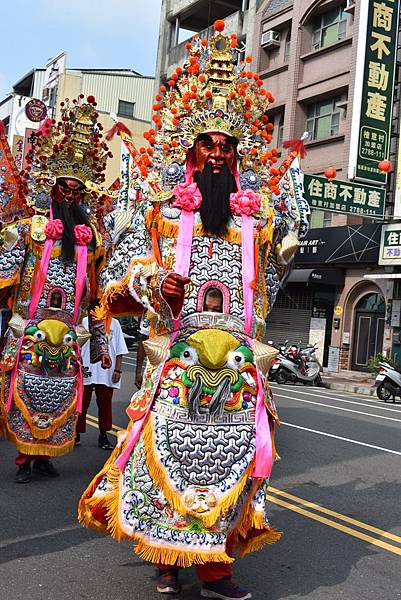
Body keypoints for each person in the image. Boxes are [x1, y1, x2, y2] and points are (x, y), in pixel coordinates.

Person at [79, 21, 309, 600]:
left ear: (237, 153)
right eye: (205, 142)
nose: (215, 152)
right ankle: (168, 559)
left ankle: (218, 569)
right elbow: (117, 278)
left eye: (225, 145)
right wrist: (159, 285)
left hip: (235, 364)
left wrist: (281, 247)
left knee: (228, 470)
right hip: (175, 363)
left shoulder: (255, 220)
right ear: (188, 150)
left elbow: (269, 290)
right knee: (171, 465)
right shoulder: (159, 211)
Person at [0, 96, 111, 484]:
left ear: (84, 196)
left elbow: (95, 297)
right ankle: (26, 458)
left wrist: (99, 344)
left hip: (67, 335)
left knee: (61, 393)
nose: (68, 196)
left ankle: (46, 457)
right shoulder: (31, 229)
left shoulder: (91, 239)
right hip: (29, 328)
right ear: (50, 188)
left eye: (76, 191)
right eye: (62, 188)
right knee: (25, 391)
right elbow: (7, 273)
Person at [76, 316, 128, 449]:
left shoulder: (114, 323)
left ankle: (103, 436)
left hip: (106, 370)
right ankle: (76, 434)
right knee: (81, 403)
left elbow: (120, 348)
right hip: (86, 367)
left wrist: (118, 369)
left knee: (105, 403)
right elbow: (76, 346)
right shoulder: (85, 321)